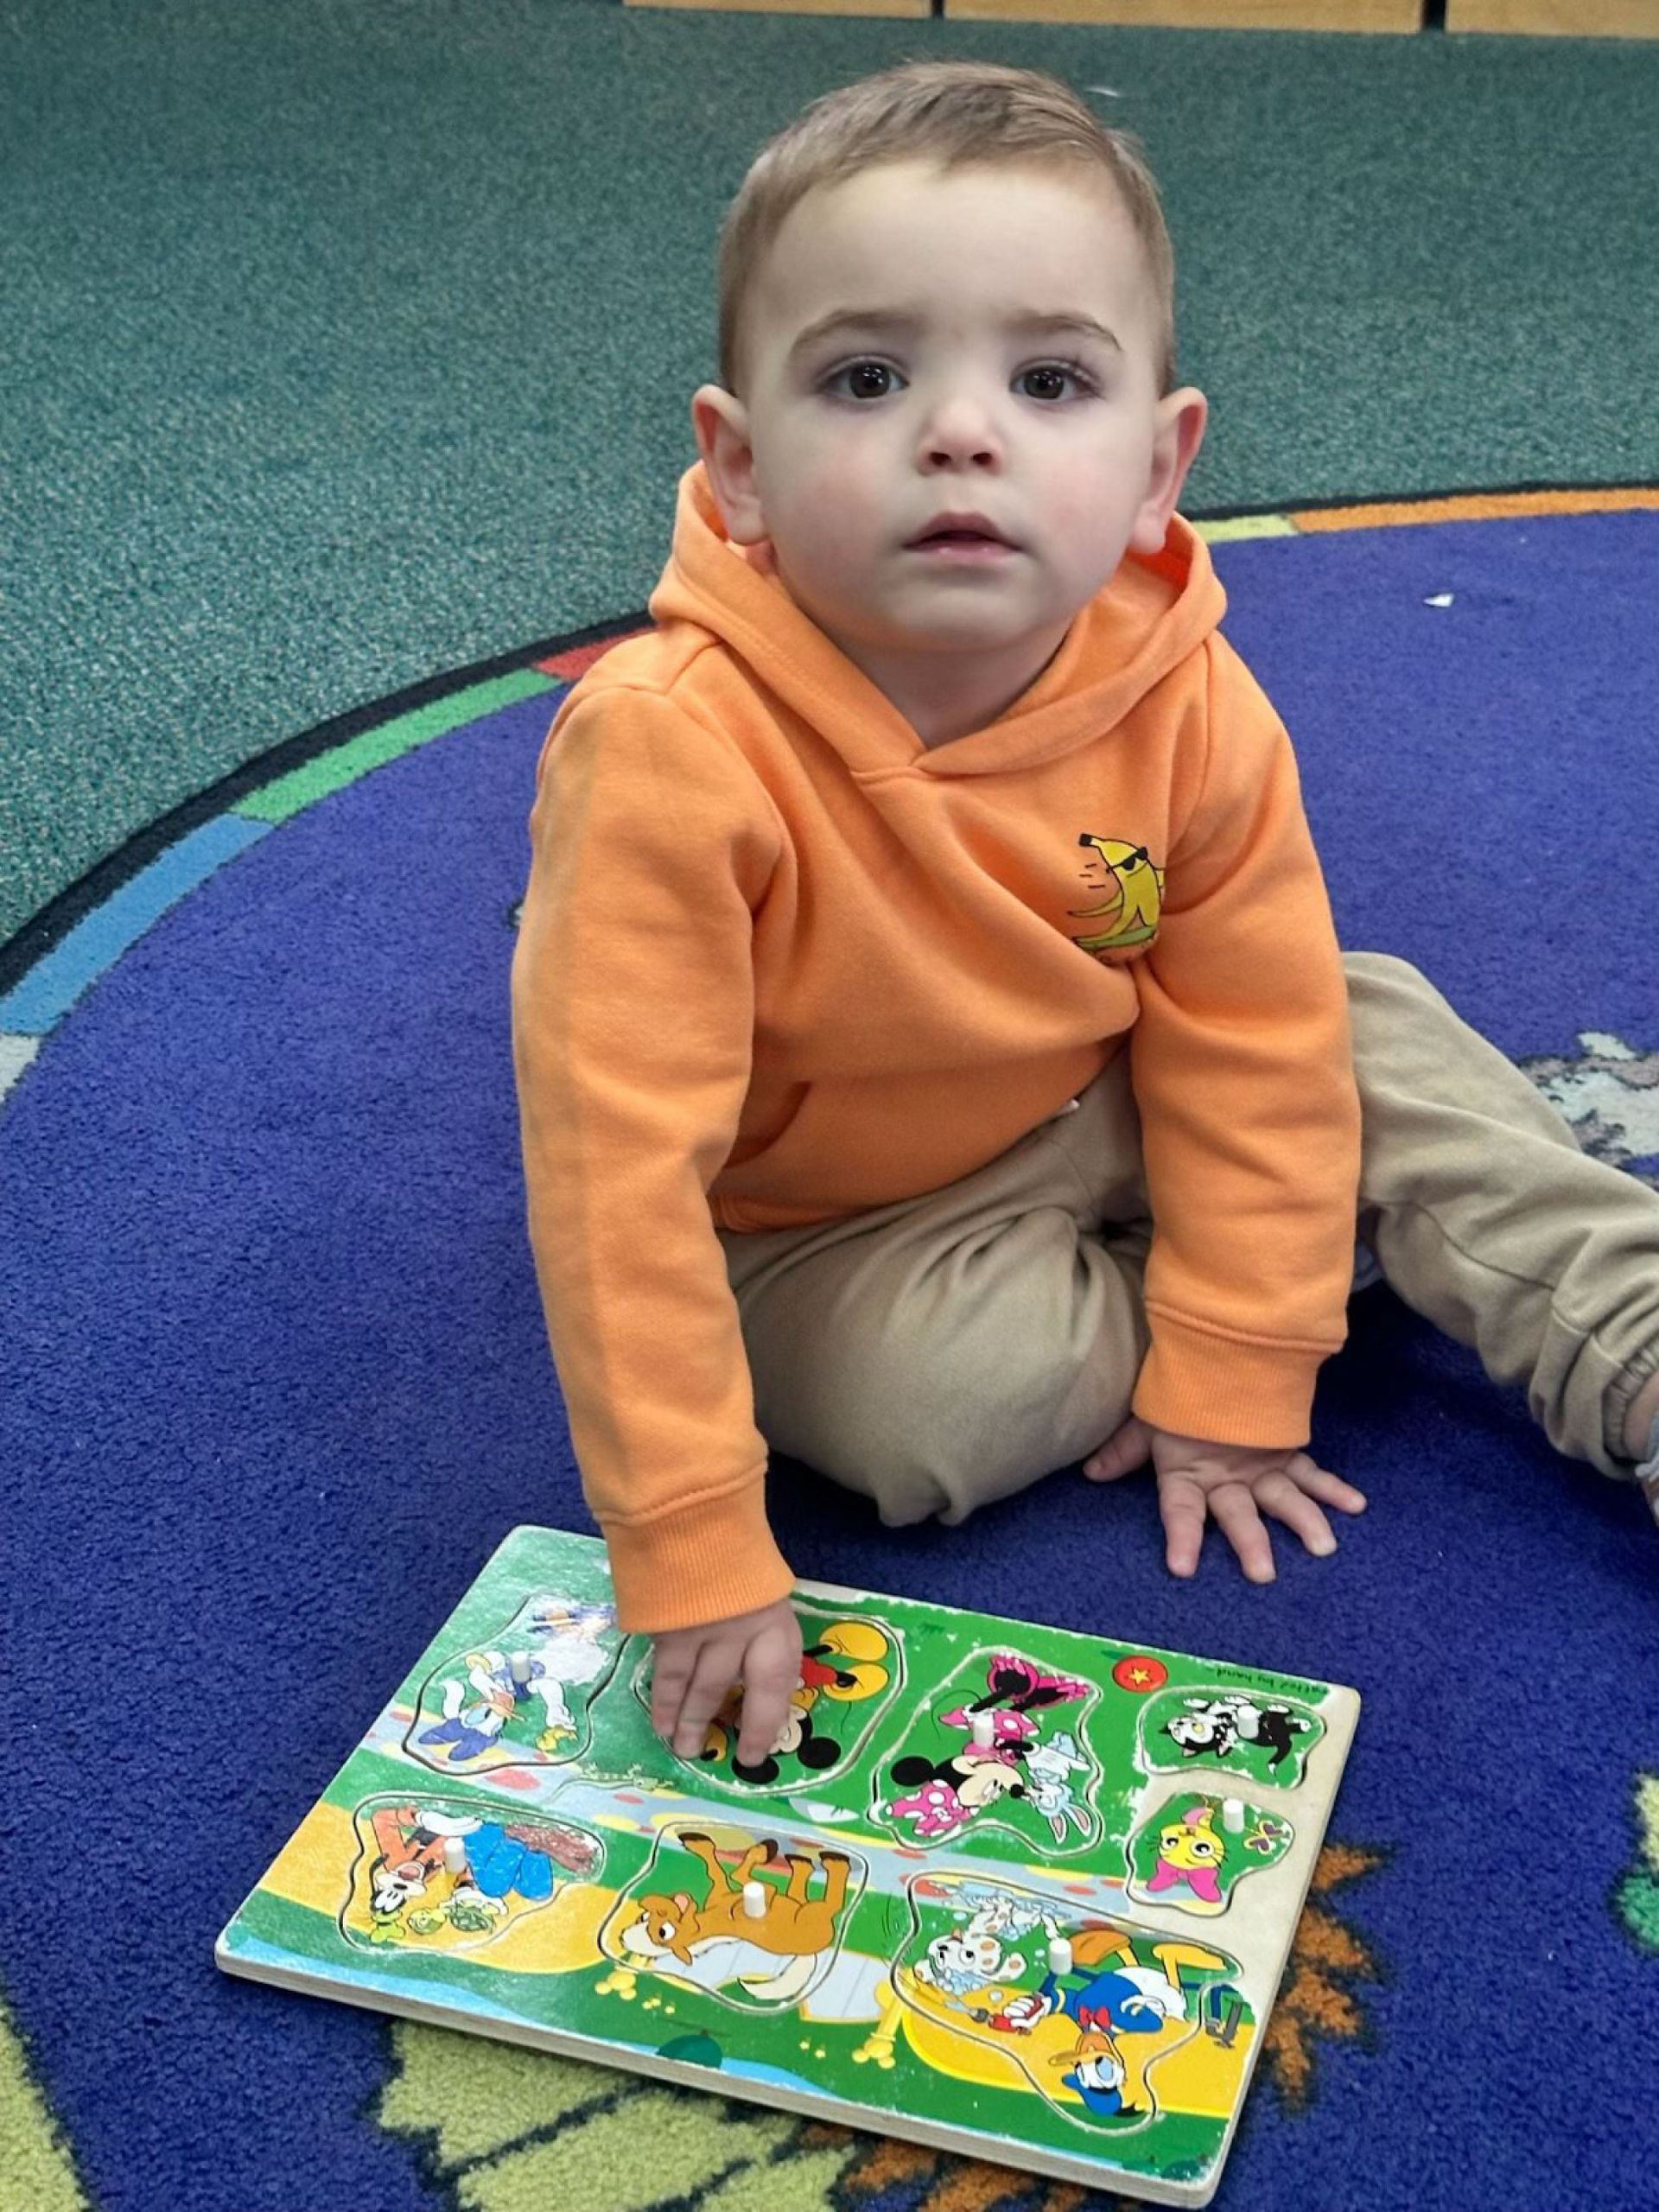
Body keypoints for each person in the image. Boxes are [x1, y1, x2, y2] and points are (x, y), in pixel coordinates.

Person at [511, 60, 1659, 1770]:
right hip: (828, 1220)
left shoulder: (1197, 704)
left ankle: (1618, 1337)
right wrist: (688, 1541)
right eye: (868, 375)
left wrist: (1238, 1376)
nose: (960, 430)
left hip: (1114, 1079)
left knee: (1341, 1031)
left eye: (1049, 379)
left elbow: (1253, 1036)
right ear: (739, 470)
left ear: (1155, 467)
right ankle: (1309, 1237)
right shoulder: (668, 748)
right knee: (901, 1429)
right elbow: (618, 1185)